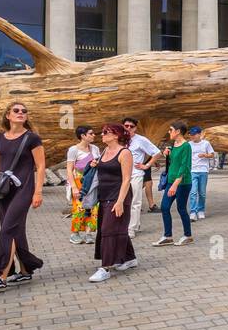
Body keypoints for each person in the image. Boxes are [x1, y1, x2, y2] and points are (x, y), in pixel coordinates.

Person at [0, 102, 46, 293]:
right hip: (5, 191)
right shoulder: (0, 137)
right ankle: (26, 269)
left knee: (7, 230)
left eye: (24, 111)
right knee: (15, 231)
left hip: (24, 190)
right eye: (16, 111)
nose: (21, 113)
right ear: (8, 115)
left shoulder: (32, 138)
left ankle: (2, 276)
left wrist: (38, 192)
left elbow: (40, 167)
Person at [89, 124, 138, 282]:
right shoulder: (103, 152)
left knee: (108, 230)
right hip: (104, 196)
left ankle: (105, 267)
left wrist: (120, 202)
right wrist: (94, 165)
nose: (101, 135)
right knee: (115, 227)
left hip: (118, 196)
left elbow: (126, 179)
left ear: (116, 135)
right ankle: (130, 258)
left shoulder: (124, 153)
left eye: (105, 132)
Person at [154, 122, 193, 246]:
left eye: (171, 130)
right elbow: (174, 162)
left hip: (182, 183)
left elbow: (184, 166)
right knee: (165, 207)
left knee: (181, 208)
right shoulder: (174, 145)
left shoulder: (186, 146)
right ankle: (168, 236)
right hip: (171, 181)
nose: (169, 132)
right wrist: (168, 153)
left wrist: (175, 184)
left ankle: (188, 235)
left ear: (178, 131)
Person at [123, 117, 160, 238]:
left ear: (135, 128)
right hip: (122, 175)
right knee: (123, 201)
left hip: (136, 174)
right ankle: (134, 223)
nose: (128, 128)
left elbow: (156, 152)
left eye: (131, 126)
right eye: (126, 126)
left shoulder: (141, 140)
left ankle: (131, 228)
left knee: (135, 201)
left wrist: (147, 165)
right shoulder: (119, 139)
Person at [66, 125, 100, 244]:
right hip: (79, 181)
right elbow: (69, 169)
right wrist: (74, 188)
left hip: (93, 181)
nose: (93, 135)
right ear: (83, 136)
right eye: (91, 133)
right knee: (79, 208)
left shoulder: (95, 148)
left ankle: (89, 232)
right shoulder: (73, 150)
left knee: (94, 207)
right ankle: (75, 233)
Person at [187, 126, 215, 220]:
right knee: (193, 192)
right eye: (191, 134)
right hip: (192, 170)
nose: (192, 136)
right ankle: (193, 211)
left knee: (202, 193)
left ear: (200, 134)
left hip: (203, 170)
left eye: (194, 134)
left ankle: (201, 210)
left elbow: (212, 154)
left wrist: (205, 155)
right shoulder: (188, 144)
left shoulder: (206, 144)